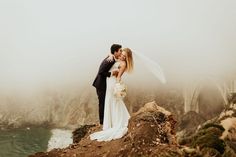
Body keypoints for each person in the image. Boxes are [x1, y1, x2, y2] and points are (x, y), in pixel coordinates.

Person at [90, 48, 134, 141]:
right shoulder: (117, 59)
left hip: (113, 84)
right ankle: (110, 123)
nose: (122, 56)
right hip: (108, 82)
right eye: (122, 54)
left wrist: (118, 87)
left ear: (127, 58)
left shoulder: (123, 64)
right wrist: (110, 55)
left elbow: (118, 77)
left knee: (114, 102)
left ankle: (116, 122)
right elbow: (112, 57)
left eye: (125, 56)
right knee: (110, 102)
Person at [92, 44, 122, 125]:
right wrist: (112, 73)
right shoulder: (110, 60)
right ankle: (102, 122)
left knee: (105, 102)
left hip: (105, 84)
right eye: (120, 51)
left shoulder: (112, 58)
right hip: (101, 85)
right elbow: (101, 72)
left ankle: (106, 120)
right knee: (102, 103)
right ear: (115, 52)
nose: (121, 52)